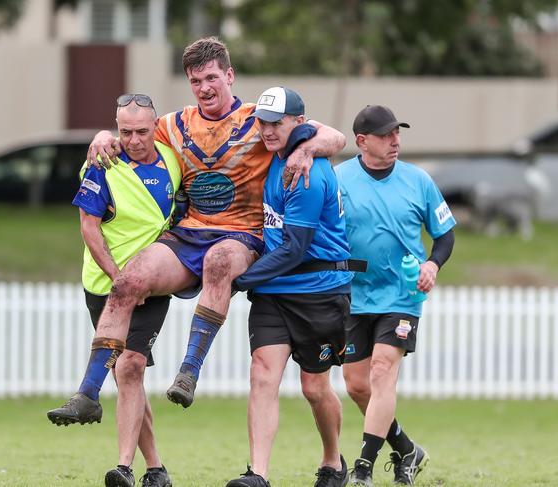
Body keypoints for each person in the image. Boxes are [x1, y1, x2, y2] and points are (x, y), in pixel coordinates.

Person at [46, 35, 346, 425]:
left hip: (242, 234)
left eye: (211, 78)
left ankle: (189, 371)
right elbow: (130, 135)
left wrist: (306, 150)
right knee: (126, 282)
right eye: (195, 81)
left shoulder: (261, 119)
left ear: (229, 76)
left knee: (221, 261)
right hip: (189, 232)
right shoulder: (174, 124)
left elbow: (334, 136)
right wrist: (103, 136)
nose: (204, 88)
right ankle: (87, 394)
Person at [224, 86, 355, 487]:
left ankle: (333, 461)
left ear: (299, 122)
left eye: (275, 122)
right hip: (274, 294)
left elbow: (295, 249)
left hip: (319, 291)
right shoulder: (279, 157)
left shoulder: (309, 173)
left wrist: (239, 281)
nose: (266, 130)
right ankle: (258, 474)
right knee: (262, 374)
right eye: (262, 122)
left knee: (314, 388)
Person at [55, 94, 180, 487]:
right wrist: (118, 280)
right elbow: (88, 227)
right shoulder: (102, 163)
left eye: (142, 131)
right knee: (130, 378)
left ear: (155, 127)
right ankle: (156, 468)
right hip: (104, 286)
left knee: (131, 367)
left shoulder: (173, 160)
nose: (134, 139)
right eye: (124, 131)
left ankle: (123, 468)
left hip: (154, 283)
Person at [334, 105, 456, 486]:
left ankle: (364, 468)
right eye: (386, 135)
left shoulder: (418, 180)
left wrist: (432, 264)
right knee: (357, 386)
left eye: (397, 134)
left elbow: (445, 233)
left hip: (402, 295)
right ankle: (405, 448)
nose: (395, 141)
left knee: (383, 371)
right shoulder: (338, 179)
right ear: (362, 141)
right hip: (354, 296)